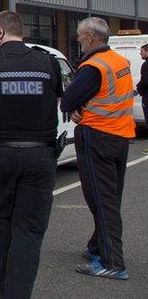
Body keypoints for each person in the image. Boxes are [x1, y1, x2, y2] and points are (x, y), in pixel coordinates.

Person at [0, 11, 61, 298]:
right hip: (40, 155)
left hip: (3, 155)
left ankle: (4, 287)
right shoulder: (48, 61)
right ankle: (16, 291)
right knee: (30, 230)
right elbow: (56, 97)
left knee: (5, 225)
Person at [60, 17, 135, 280]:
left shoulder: (92, 67)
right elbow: (113, 95)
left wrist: (76, 108)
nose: (78, 39)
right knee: (109, 198)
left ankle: (112, 262)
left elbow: (68, 100)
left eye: (80, 35)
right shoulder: (120, 62)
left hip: (98, 137)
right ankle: (96, 247)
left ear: (91, 38)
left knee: (101, 202)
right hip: (120, 136)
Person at [136, 44, 148, 155]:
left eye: (142, 51)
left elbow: (144, 81)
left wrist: (138, 88)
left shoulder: (145, 65)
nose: (140, 54)